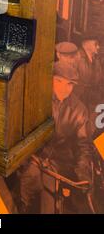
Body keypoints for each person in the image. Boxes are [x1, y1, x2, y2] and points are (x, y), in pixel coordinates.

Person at [18, 61, 92, 213]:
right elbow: (20, 133)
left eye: (70, 84)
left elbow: (83, 146)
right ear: (50, 79)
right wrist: (27, 159)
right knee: (28, 183)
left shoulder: (79, 111)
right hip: (32, 159)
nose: (64, 88)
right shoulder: (36, 98)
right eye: (59, 81)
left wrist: (83, 173)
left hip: (60, 162)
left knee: (53, 200)